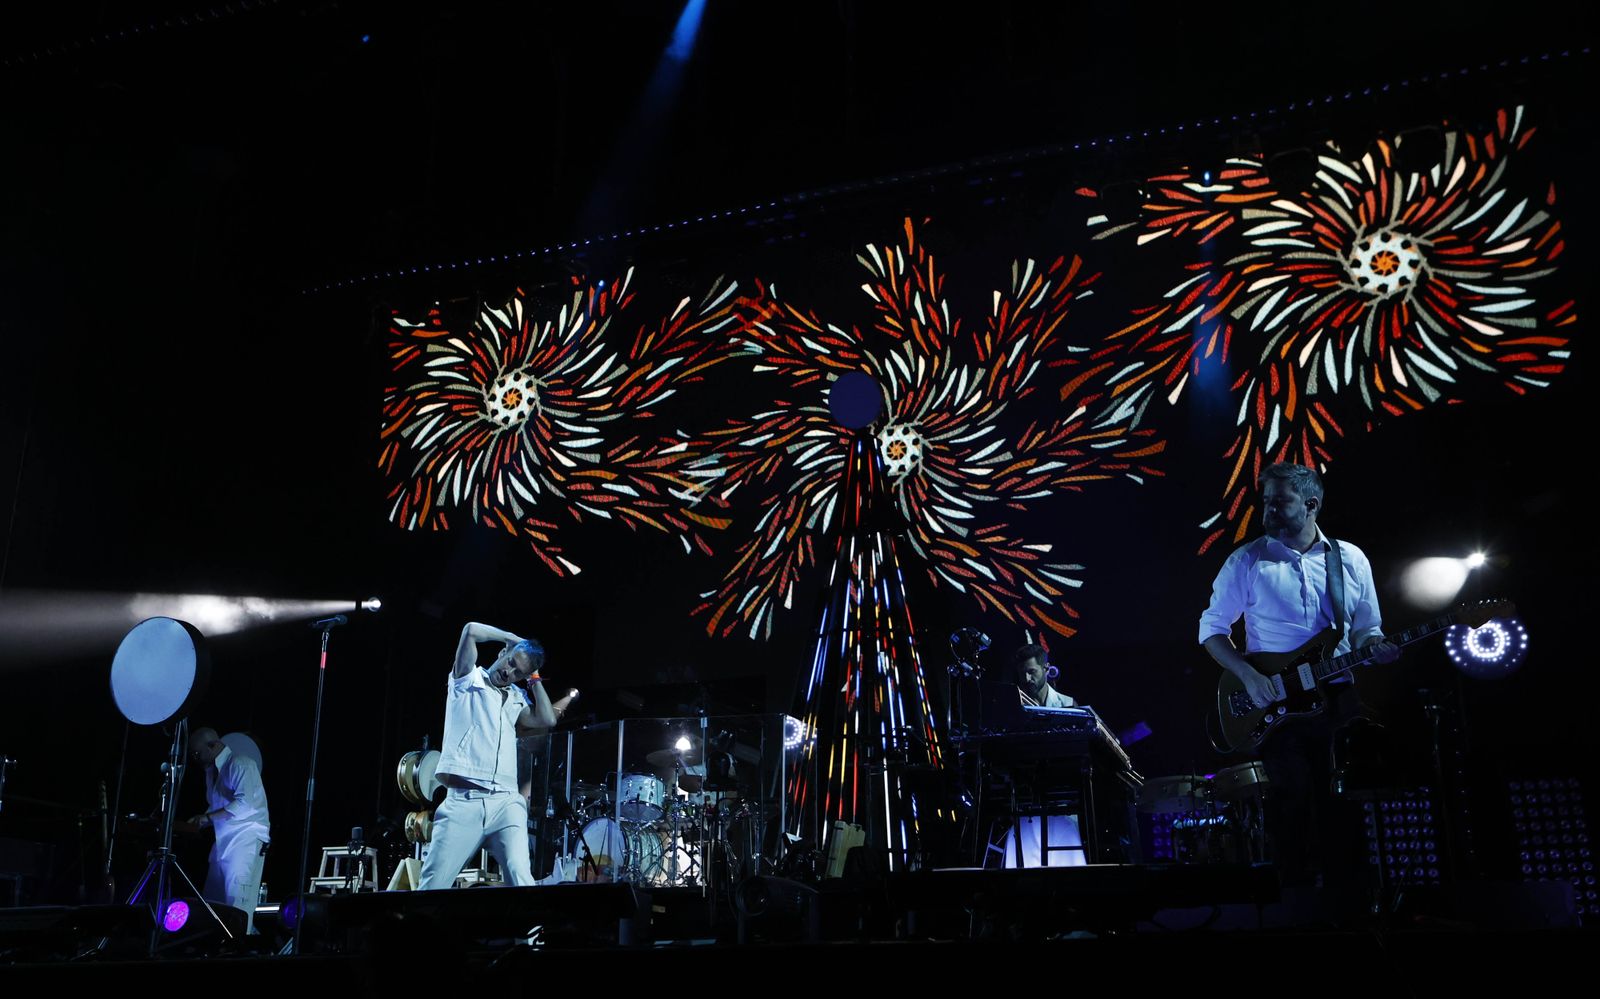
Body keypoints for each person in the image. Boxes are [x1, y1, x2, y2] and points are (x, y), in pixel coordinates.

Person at [1199, 462, 1399, 901]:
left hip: (1338, 694)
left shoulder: (1348, 558)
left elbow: (1367, 628)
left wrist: (1378, 645)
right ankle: (1295, 900)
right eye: (1265, 500)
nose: (1267, 509)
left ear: (1311, 504)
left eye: (1279, 500)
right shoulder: (1248, 560)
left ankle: (1351, 902)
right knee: (1291, 799)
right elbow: (1211, 630)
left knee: (1341, 800)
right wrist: (1249, 676)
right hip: (1276, 702)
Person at [418, 622, 558, 890]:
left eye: (518, 672)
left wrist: (534, 678)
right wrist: (512, 638)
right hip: (464, 801)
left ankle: (531, 934)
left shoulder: (516, 698)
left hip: (506, 802)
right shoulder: (466, 679)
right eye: (510, 662)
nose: (509, 671)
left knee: (522, 881)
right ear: (501, 654)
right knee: (433, 887)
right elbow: (470, 629)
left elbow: (547, 718)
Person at [187, 727, 270, 931]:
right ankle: (216, 948)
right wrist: (200, 820)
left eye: (197, 753)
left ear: (213, 746)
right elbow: (217, 805)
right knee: (213, 903)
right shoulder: (213, 772)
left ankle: (239, 950)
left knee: (237, 904)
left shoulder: (241, 763)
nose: (195, 758)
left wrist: (207, 817)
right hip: (224, 842)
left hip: (245, 839)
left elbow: (245, 804)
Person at [1012, 643, 1075, 708]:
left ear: (1046, 668)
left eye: (1032, 672)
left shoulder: (1068, 704)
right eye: (1022, 673)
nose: (1027, 678)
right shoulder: (1012, 705)